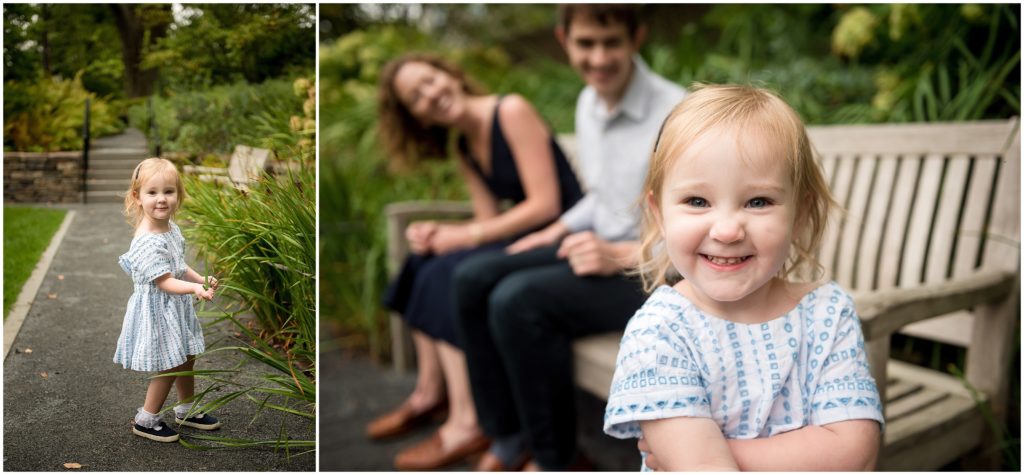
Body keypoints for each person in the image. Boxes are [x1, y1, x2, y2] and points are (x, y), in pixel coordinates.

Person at [452, 4, 687, 471]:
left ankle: (556, 459)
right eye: (585, 44)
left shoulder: (676, 113)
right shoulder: (589, 102)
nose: (598, 58)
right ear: (564, 40)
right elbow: (602, 198)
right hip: (597, 254)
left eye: (611, 43)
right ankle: (509, 436)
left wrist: (622, 254)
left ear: (636, 37)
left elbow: (696, 222)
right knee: (472, 277)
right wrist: (551, 232)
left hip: (658, 274)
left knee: (517, 301)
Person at [603, 84, 885, 471]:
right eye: (697, 201)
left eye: (758, 202)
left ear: (799, 215)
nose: (727, 230)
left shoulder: (826, 313)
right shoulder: (661, 330)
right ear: (659, 214)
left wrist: (714, 451)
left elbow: (854, 455)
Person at [368, 53, 584, 470]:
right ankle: (432, 394)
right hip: (524, 237)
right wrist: (439, 233)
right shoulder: (465, 145)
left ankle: (467, 421)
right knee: (424, 263)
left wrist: (464, 237)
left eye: (431, 80)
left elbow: (545, 204)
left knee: (452, 272)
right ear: (416, 116)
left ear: (449, 73)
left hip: (563, 232)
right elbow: (487, 220)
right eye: (417, 97)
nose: (431, 94)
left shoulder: (511, 110)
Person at [115, 157, 222, 443]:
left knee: (187, 356)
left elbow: (177, 265)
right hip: (158, 308)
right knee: (171, 363)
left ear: (178, 195)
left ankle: (186, 409)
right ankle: (146, 418)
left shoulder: (170, 228)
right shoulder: (148, 239)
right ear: (137, 197)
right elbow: (164, 281)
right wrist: (193, 290)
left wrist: (200, 279)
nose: (161, 200)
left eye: (168, 192)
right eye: (152, 193)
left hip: (174, 306)